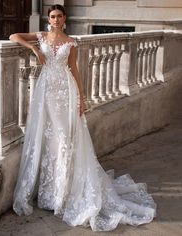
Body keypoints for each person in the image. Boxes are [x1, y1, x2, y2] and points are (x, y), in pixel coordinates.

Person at [9, 4, 156, 232]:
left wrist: (81, 99)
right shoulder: (42, 36)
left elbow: (74, 70)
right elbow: (13, 36)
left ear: (64, 18)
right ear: (48, 19)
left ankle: (63, 194)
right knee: (47, 140)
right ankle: (49, 194)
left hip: (65, 93)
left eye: (59, 16)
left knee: (64, 140)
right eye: (52, 16)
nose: (55, 19)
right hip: (46, 92)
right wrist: (34, 48)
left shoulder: (70, 43)